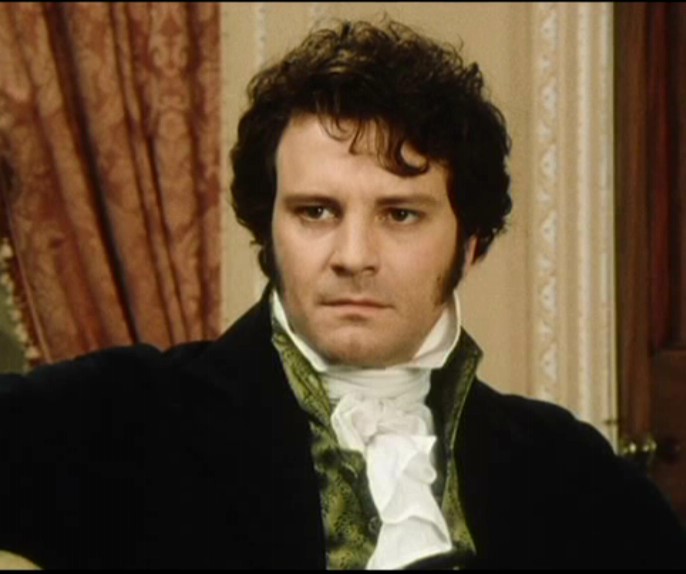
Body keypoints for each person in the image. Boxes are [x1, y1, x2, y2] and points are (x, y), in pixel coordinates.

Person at [0, 19, 684, 570]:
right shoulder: (127, 419)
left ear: (470, 244)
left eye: (400, 215)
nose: (354, 256)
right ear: (269, 231)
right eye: (316, 212)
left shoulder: (566, 471)